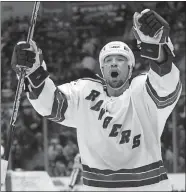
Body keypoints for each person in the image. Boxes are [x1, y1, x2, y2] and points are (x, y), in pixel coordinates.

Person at [9, 9, 182, 191]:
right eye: (108, 60)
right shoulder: (84, 93)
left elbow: (165, 86)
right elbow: (50, 104)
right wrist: (33, 73)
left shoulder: (143, 92)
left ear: (131, 68)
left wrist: (157, 50)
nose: (114, 63)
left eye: (121, 59)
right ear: (101, 68)